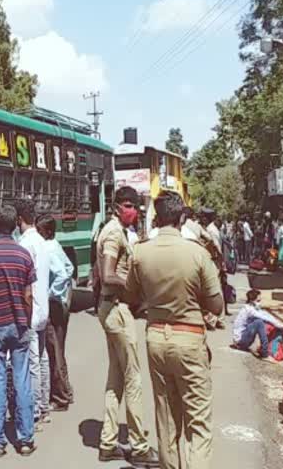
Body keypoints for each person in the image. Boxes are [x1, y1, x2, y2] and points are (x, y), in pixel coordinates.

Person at [121, 190, 223, 469]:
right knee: (198, 421)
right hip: (189, 337)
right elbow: (216, 304)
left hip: (156, 337)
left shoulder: (140, 252)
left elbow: (131, 295)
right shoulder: (198, 254)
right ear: (181, 217)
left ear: (156, 217)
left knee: (166, 419)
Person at [95, 186, 159, 466]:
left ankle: (108, 441)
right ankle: (140, 447)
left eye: (135, 205)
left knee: (116, 380)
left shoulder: (118, 232)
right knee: (133, 379)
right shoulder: (112, 233)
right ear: (117, 206)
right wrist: (135, 286)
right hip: (118, 310)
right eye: (128, 205)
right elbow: (108, 275)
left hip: (113, 309)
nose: (133, 210)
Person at [0, 204, 37, 457]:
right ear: (15, 225)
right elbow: (29, 295)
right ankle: (25, 440)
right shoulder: (25, 256)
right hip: (20, 324)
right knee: (22, 380)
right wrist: (28, 321)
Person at [16, 199, 52, 428]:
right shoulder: (42, 241)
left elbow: (22, 283)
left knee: (32, 363)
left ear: (20, 220)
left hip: (30, 310)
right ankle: (45, 406)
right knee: (42, 357)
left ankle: (37, 409)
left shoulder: (24, 244)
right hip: (43, 308)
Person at [36, 213, 75, 411]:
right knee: (59, 348)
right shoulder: (56, 246)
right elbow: (70, 268)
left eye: (39, 231)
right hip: (60, 303)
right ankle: (65, 390)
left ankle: (60, 397)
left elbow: (61, 273)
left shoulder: (48, 250)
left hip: (53, 305)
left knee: (54, 351)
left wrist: (50, 293)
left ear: (47, 232)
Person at [231, 289, 283, 360]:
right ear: (251, 301)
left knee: (265, 323)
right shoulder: (249, 310)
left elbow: (266, 315)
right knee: (259, 322)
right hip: (240, 341)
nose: (259, 303)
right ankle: (264, 353)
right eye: (258, 301)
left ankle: (265, 348)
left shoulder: (253, 308)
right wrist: (281, 326)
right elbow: (264, 317)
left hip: (244, 339)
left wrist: (279, 323)